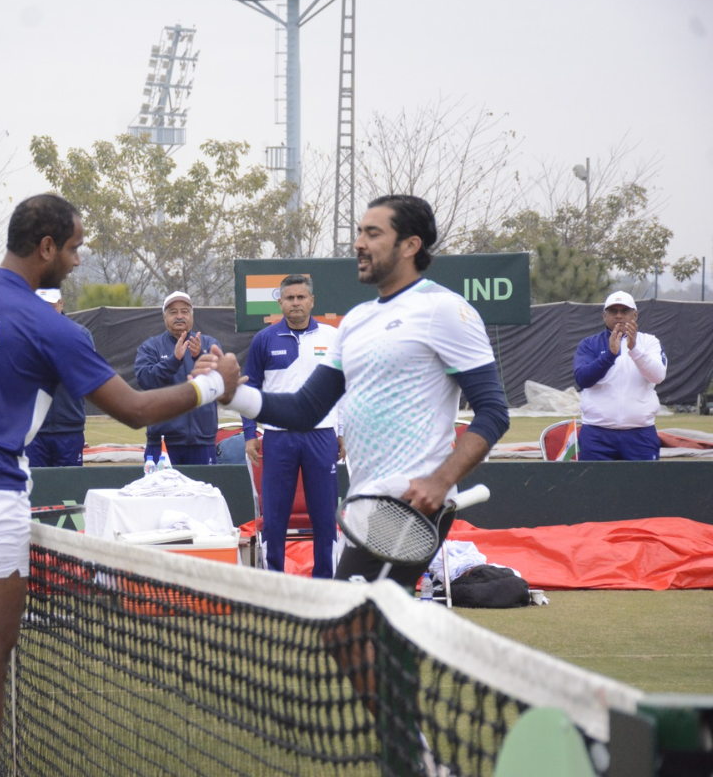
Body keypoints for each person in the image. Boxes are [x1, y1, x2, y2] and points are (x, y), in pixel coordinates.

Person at [0, 194, 241, 776]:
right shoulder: (52, 327)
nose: (77, 259)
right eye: (73, 247)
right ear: (45, 247)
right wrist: (210, 387)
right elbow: (133, 410)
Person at [224, 195, 509, 587]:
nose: (358, 242)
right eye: (360, 231)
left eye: (372, 233)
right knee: (366, 637)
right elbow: (306, 409)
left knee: (355, 631)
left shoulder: (444, 310)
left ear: (410, 245)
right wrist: (231, 395)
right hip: (367, 506)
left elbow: (493, 412)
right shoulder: (357, 321)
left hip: (411, 507)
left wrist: (440, 481)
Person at [241, 274, 344, 578]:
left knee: (325, 515)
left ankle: (325, 580)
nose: (295, 303)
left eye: (301, 297)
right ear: (280, 302)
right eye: (290, 298)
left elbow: (346, 387)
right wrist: (250, 435)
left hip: (321, 436)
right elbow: (249, 390)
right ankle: (275, 579)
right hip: (278, 437)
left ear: (312, 301)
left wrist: (342, 433)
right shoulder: (264, 339)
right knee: (275, 515)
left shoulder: (332, 337)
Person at [574, 291, 667, 461]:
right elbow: (582, 379)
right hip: (596, 434)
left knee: (644, 486)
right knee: (592, 487)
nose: (618, 316)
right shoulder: (589, 344)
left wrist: (635, 350)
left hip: (640, 433)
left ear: (635, 315)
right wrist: (609, 355)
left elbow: (658, 376)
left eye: (624, 311)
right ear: (604, 316)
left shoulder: (649, 342)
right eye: (613, 311)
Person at [134, 291, 222, 465]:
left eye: (185, 311)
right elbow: (145, 380)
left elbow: (221, 382)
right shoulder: (151, 347)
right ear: (164, 316)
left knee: (202, 491)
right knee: (161, 492)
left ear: (192, 316)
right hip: (162, 442)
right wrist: (174, 361)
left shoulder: (208, 344)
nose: (180, 316)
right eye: (173, 312)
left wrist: (198, 358)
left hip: (202, 440)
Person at [25, 288, 89, 468]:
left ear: (61, 304)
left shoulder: (80, 334)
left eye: (50, 306)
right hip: (33, 430)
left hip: (70, 428)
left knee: (69, 492)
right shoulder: (22, 334)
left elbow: (84, 372)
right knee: (36, 490)